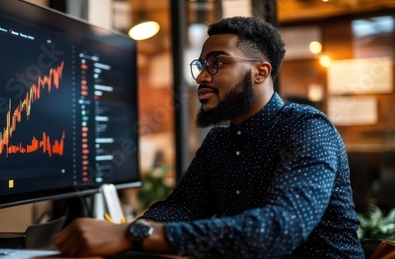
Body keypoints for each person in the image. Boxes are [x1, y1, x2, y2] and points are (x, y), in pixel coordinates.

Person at [53, 16, 365, 258]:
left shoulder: (307, 128)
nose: (202, 77)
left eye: (217, 63)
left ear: (261, 72)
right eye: (201, 66)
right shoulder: (219, 142)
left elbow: (278, 230)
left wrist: (135, 235)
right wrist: (118, 231)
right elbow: (183, 208)